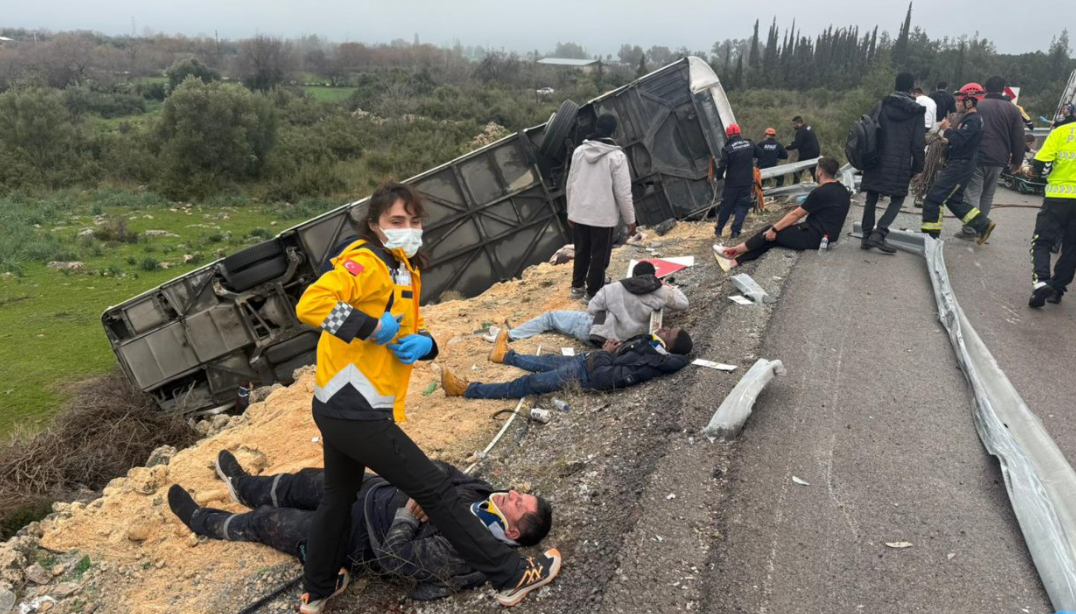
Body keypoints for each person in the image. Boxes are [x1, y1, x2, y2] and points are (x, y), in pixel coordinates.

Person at [293, 182, 560, 613]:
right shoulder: (366, 262)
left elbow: (408, 327)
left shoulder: (403, 267)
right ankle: (510, 577)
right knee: (434, 490)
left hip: (344, 407)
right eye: (396, 220)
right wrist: (369, 327)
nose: (408, 228)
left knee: (339, 496)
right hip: (354, 409)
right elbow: (310, 304)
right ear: (374, 224)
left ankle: (317, 588)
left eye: (414, 220)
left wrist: (427, 345)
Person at [167, 451, 553, 602]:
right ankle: (241, 485)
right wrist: (429, 485)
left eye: (518, 504)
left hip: (354, 536)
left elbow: (396, 559)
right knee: (300, 482)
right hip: (369, 490)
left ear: (512, 533)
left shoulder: (467, 549)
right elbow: (446, 470)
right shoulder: (484, 493)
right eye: (520, 494)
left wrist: (407, 515)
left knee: (269, 522)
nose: (512, 494)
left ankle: (204, 521)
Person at [440, 328, 693, 400]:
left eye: (668, 333)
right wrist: (612, 350)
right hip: (587, 362)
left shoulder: (651, 361)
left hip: (585, 375)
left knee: (530, 383)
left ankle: (467, 389)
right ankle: (505, 356)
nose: (663, 329)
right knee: (545, 361)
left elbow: (605, 378)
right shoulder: (650, 348)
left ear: (668, 346)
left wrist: (605, 353)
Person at [484, 261, 688, 348]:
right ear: (654, 275)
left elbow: (592, 309)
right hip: (625, 343)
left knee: (550, 318)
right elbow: (683, 304)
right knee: (556, 324)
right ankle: (510, 334)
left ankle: (507, 336)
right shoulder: (661, 292)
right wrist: (667, 287)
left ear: (633, 274)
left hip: (598, 335)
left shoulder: (614, 288)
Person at [713, 156, 850, 268]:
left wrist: (774, 228)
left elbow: (796, 215)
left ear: (819, 171)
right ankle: (735, 261)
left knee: (769, 232)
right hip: (828, 237)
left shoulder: (820, 192)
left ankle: (733, 251)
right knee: (773, 238)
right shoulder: (842, 190)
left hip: (816, 238)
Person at [566, 113, 636, 303]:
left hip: (580, 212)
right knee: (599, 256)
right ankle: (592, 293)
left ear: (596, 127)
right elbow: (623, 192)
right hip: (603, 216)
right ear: (613, 131)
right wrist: (630, 220)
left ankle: (577, 287)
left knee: (581, 250)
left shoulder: (579, 152)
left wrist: (571, 211)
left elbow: (570, 183)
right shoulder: (616, 156)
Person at [920, 84, 996, 243]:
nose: (957, 103)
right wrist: (945, 140)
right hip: (962, 163)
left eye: (960, 100)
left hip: (960, 166)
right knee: (954, 201)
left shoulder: (973, 120)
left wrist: (947, 129)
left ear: (970, 102)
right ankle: (983, 224)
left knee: (933, 198)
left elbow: (960, 140)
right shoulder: (970, 119)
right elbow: (963, 141)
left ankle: (931, 237)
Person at [860, 73, 926, 254]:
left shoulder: (881, 105)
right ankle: (879, 233)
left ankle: (866, 236)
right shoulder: (916, 112)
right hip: (900, 162)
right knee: (898, 198)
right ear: (911, 88)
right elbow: (918, 144)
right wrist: (919, 168)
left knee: (872, 195)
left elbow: (867, 129)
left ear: (895, 85)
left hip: (876, 158)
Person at [958, 76, 1025, 240]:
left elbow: (962, 129)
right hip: (999, 159)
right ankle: (981, 229)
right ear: (1003, 89)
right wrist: (1017, 161)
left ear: (985, 89)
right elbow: (1019, 137)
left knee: (973, 193)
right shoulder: (1013, 110)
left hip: (976, 156)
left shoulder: (977, 105)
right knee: (987, 195)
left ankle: (969, 230)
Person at [1027, 116, 1076, 307]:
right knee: (1072, 248)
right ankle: (1057, 289)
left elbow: (1041, 166)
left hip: (1058, 198)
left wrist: (1031, 171)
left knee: (1042, 242)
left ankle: (1041, 281)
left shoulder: (1062, 132)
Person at [713, 123, 763, 239]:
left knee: (726, 206)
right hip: (747, 182)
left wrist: (718, 177)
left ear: (728, 134)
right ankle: (735, 232)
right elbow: (760, 153)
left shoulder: (728, 149)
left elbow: (722, 165)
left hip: (732, 183)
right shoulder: (750, 144)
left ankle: (719, 230)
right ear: (739, 132)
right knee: (743, 206)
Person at [786, 116, 820, 184]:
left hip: (807, 154)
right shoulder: (808, 128)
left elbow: (796, 145)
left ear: (799, 123)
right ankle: (818, 184)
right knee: (813, 170)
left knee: (797, 171)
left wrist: (786, 147)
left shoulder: (801, 131)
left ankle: (795, 186)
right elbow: (802, 141)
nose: (793, 126)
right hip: (815, 152)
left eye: (794, 124)